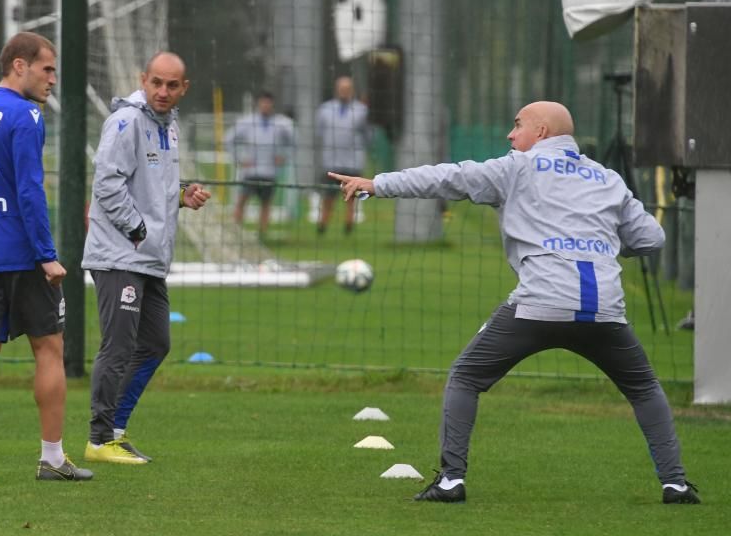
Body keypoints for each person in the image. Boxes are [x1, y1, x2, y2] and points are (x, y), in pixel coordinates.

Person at [330, 101, 700, 505]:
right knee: (644, 388)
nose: (510, 134)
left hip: (538, 305)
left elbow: (447, 177)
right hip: (604, 309)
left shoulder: (515, 168)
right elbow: (651, 238)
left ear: (540, 132)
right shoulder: (607, 178)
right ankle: (676, 485)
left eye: (517, 125)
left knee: (465, 377)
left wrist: (376, 184)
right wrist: (603, 245)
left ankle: (452, 480)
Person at [0, 32, 92, 484]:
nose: (53, 80)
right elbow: (29, 190)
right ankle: (52, 458)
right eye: (47, 69)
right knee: (49, 348)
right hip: (24, 254)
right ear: (19, 65)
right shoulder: (26, 115)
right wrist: (47, 256)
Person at [82, 51, 210, 464]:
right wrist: (136, 229)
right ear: (143, 79)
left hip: (148, 258)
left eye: (172, 85)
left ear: (183, 89)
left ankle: (115, 432)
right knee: (117, 347)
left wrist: (182, 196)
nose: (163, 91)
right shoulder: (126, 121)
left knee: (155, 343)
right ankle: (99, 440)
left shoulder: (169, 127)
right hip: (121, 256)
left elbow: (150, 189)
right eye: (156, 82)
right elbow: (106, 185)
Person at [224, 91, 295, 238]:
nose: (265, 105)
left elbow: (293, 142)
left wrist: (284, 157)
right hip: (250, 172)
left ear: (272, 104)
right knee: (241, 201)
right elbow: (228, 139)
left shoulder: (281, 124)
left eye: (268, 102)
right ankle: (235, 231)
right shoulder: (247, 122)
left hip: (269, 172)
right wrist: (239, 159)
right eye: (263, 102)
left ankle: (262, 234)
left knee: (266, 203)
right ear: (258, 104)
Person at [316, 76, 370, 234]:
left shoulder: (362, 110)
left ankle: (349, 225)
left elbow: (368, 135)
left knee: (351, 194)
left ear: (352, 91)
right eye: (341, 88)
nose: (344, 92)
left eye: (347, 89)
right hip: (331, 162)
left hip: (353, 162)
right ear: (336, 89)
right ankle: (323, 224)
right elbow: (320, 133)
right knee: (328, 195)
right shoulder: (325, 109)